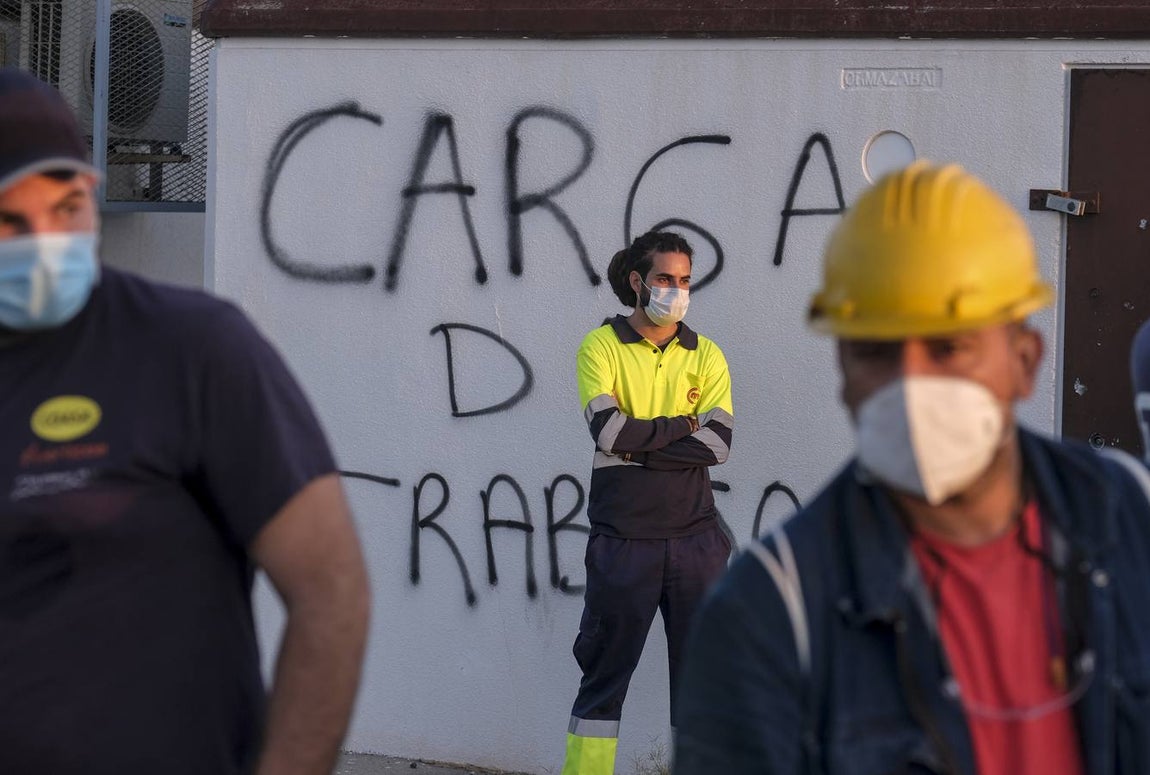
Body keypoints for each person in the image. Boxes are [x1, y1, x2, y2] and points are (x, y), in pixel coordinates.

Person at [673, 162, 1150, 775]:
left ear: (1025, 361)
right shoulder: (767, 618)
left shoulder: (1132, 518)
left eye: (949, 346)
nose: (913, 385)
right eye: (876, 351)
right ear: (843, 376)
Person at [0, 68, 370, 775]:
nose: (44, 243)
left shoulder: (191, 350)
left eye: (66, 208)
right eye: (10, 221)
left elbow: (331, 587)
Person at [561, 231, 734, 775]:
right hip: (623, 542)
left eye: (684, 281)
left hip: (696, 542)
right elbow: (608, 431)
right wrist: (681, 427)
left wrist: (643, 448)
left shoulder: (706, 353)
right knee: (603, 684)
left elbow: (719, 444)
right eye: (664, 279)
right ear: (637, 282)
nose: (676, 291)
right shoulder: (600, 347)